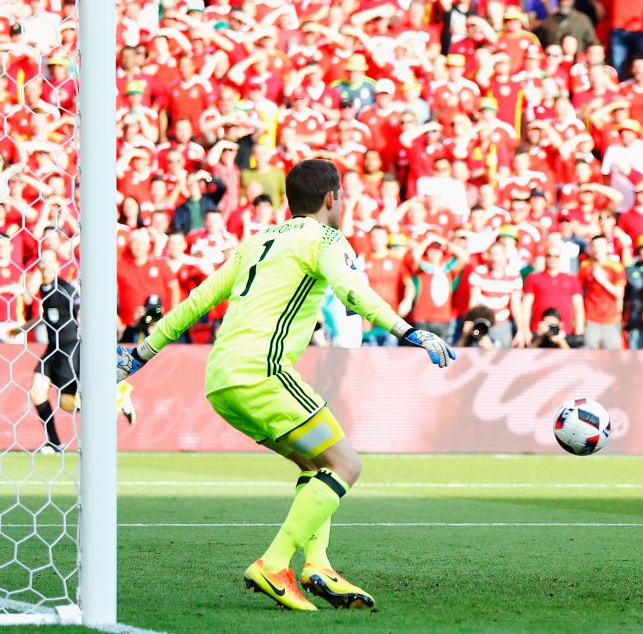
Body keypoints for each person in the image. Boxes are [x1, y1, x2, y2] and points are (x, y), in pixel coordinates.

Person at [116, 160, 457, 611]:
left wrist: (139, 355)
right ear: (332, 198)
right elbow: (351, 291)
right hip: (263, 371)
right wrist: (408, 331)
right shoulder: (326, 239)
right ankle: (275, 564)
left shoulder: (258, 241)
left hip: (221, 378)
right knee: (346, 464)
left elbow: (198, 300)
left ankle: (318, 565)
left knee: (317, 463)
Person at [29, 249, 135, 452]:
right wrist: (22, 328)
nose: (44, 266)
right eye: (41, 262)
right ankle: (55, 443)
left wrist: (110, 325)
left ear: (57, 265)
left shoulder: (65, 289)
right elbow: (47, 315)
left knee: (67, 403)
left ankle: (116, 399)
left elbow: (82, 306)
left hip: (68, 350)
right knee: (37, 393)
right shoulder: (45, 288)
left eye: (49, 262)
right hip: (52, 350)